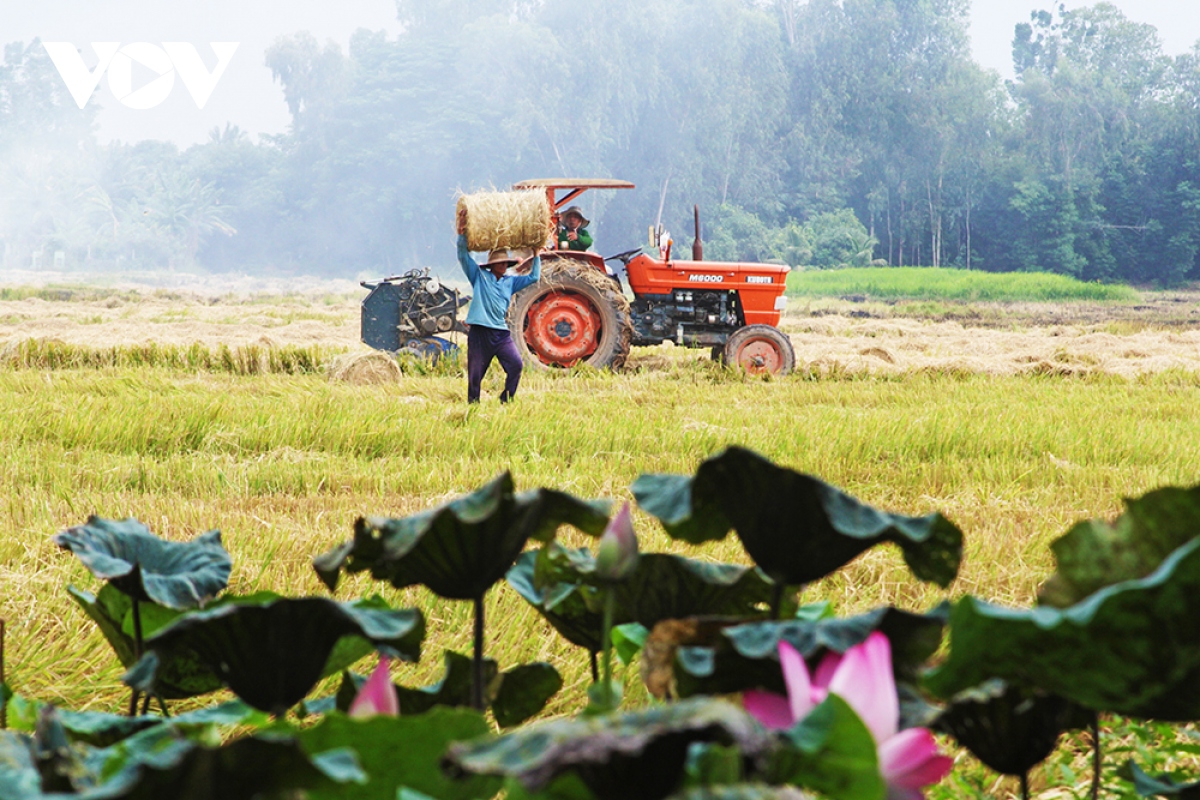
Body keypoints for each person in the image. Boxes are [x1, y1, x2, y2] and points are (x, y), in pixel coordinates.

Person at [457, 208, 541, 404]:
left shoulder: (510, 282)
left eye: (506, 263)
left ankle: (506, 400)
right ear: (492, 265)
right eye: (500, 262)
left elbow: (534, 277)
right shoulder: (478, 276)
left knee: (516, 365)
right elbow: (463, 256)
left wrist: (536, 254)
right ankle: (473, 407)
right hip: (479, 333)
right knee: (475, 375)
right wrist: (462, 232)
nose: (503, 265)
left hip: (500, 334)